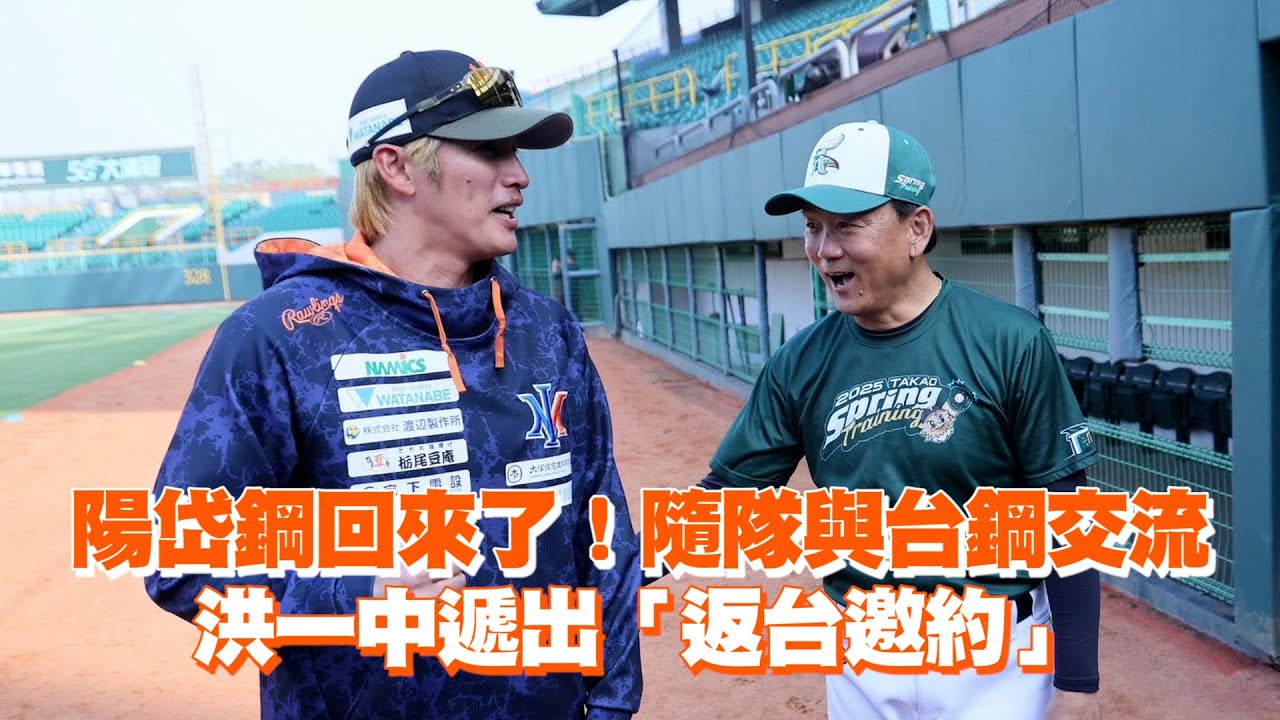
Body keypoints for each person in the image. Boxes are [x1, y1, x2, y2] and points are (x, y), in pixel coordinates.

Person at [145, 49, 642, 720]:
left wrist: (611, 705)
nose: (520, 175)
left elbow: (602, 532)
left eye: (517, 152)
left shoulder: (548, 332)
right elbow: (180, 554)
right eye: (490, 150)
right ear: (397, 166)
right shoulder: (279, 336)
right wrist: (354, 592)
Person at [693, 121, 1102, 719]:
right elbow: (728, 497)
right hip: (862, 650)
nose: (824, 249)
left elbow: (1064, 509)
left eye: (847, 225)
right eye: (813, 226)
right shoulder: (800, 362)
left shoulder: (1009, 341)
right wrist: (613, 565)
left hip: (995, 657)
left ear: (917, 229)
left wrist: (1078, 676)